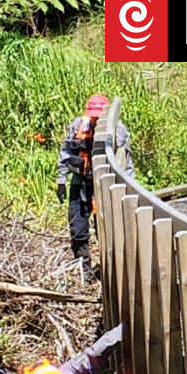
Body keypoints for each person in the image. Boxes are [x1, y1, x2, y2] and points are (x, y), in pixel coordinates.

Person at [55, 94, 133, 277]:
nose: (97, 119)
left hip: (107, 187)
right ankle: (85, 271)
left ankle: (110, 271)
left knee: (106, 229)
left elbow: (126, 164)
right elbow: (65, 153)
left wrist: (129, 190)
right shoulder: (77, 125)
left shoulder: (119, 130)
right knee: (78, 229)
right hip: (80, 183)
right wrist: (61, 181)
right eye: (94, 115)